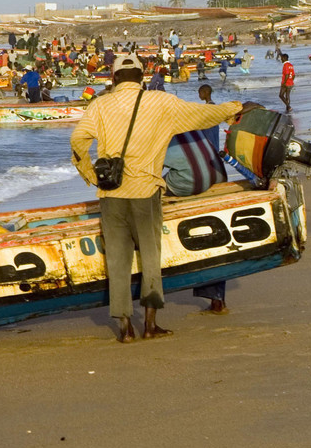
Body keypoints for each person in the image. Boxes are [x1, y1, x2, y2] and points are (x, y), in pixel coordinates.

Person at [70, 54, 254, 343]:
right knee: (151, 257)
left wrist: (91, 175)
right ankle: (151, 325)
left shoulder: (99, 105)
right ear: (142, 77)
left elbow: (78, 141)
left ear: (114, 78)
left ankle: (125, 329)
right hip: (146, 192)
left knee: (117, 261)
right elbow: (202, 115)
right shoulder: (160, 102)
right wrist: (235, 108)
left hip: (111, 194)